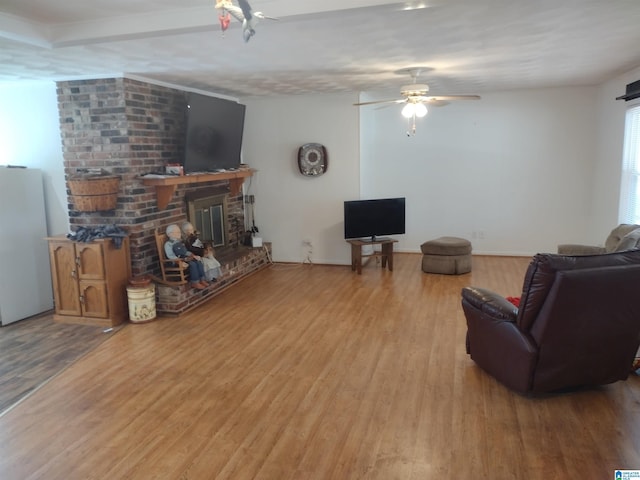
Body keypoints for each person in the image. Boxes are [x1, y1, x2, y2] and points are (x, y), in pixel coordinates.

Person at [164, 224, 208, 290]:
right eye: (177, 232)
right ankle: (195, 282)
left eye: (179, 232)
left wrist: (193, 255)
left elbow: (185, 251)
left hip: (185, 258)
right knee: (192, 264)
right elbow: (170, 256)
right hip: (177, 261)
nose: (179, 234)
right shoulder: (168, 244)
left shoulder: (180, 241)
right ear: (169, 234)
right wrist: (179, 262)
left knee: (198, 262)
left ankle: (202, 279)